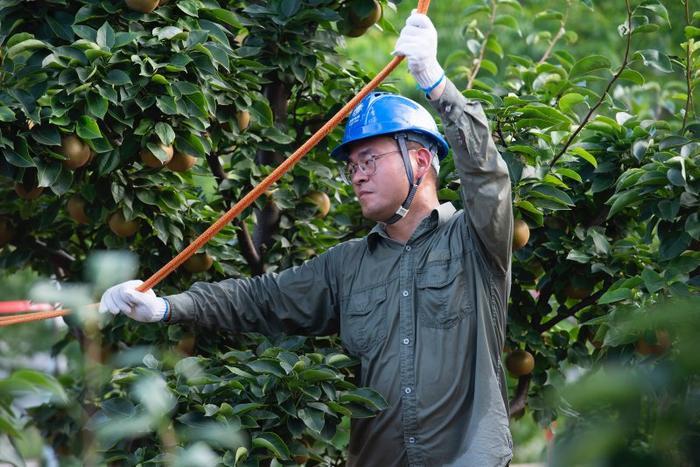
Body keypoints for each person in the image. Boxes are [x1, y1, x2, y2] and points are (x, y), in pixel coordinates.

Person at [99, 12, 514, 467]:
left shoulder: (476, 240)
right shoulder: (347, 266)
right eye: (351, 166)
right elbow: (260, 299)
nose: (358, 175)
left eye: (369, 159)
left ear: (419, 159)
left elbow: (487, 175)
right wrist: (166, 307)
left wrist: (436, 84)